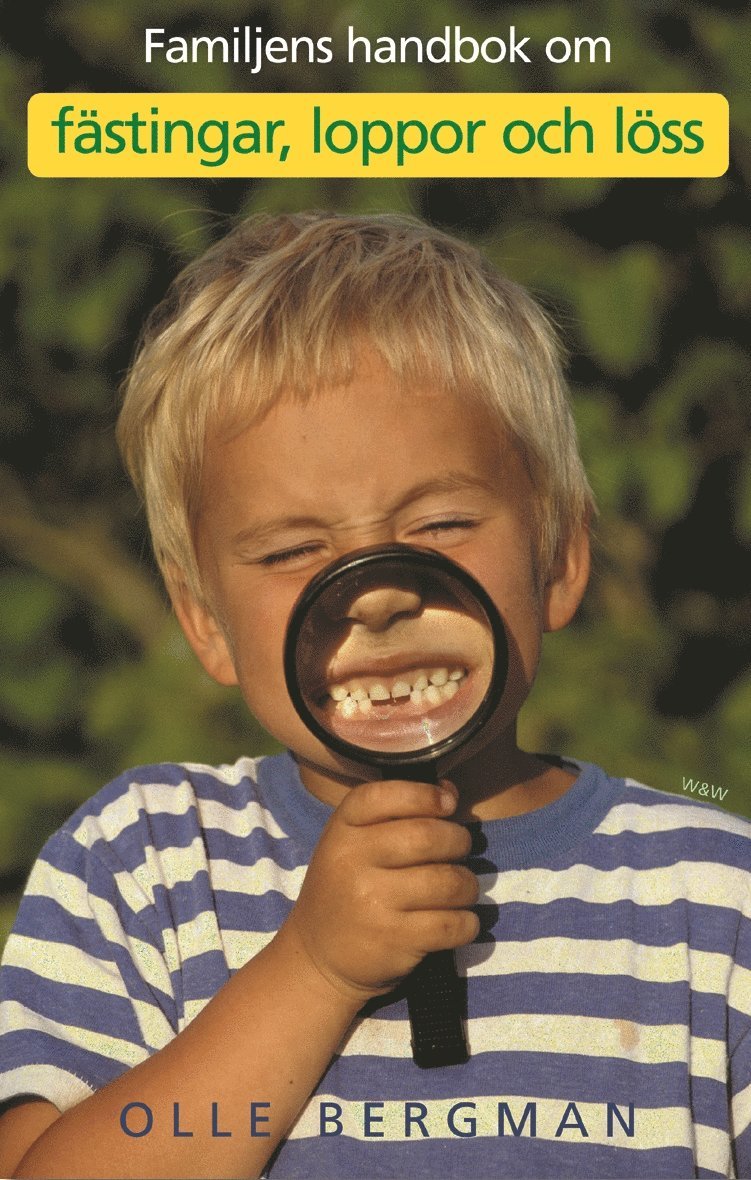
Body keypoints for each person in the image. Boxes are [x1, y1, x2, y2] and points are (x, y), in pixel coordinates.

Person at [0, 212, 749, 1180]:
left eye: (438, 523)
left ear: (560, 556)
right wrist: (311, 971)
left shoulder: (710, 899)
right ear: (206, 623)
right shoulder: (144, 865)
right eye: (291, 552)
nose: (379, 590)